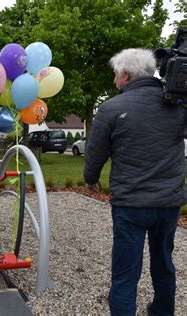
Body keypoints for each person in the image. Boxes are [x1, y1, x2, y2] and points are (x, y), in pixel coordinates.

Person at [84, 48, 184, 316]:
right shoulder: (177, 105)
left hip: (131, 204)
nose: (115, 81)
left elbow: (95, 153)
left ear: (126, 75)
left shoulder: (111, 108)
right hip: (168, 204)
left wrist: (91, 178)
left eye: (116, 75)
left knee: (125, 274)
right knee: (164, 264)